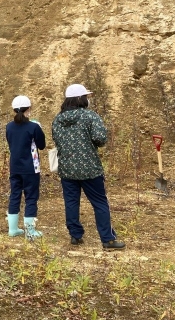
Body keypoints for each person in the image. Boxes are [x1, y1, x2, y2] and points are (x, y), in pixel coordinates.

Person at [52, 84, 125, 249]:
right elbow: (101, 138)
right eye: (86, 96)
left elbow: (56, 140)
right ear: (79, 98)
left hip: (67, 168)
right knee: (99, 202)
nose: (87, 99)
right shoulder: (90, 116)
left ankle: (75, 236)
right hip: (90, 168)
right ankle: (107, 239)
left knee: (71, 202)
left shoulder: (58, 119)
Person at [5, 95, 46, 239]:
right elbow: (42, 145)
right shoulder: (34, 126)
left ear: (14, 110)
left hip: (15, 167)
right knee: (31, 197)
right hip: (31, 167)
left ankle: (13, 229)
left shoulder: (9, 126)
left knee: (15, 195)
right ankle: (30, 231)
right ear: (29, 108)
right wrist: (39, 129)